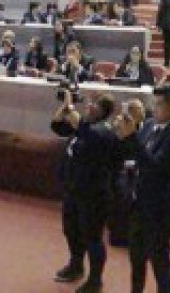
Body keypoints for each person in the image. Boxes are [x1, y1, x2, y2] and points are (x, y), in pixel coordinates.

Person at [113, 85, 170, 293]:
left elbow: (157, 168)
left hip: (158, 208)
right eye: (152, 104)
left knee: (159, 260)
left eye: (158, 104)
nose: (153, 109)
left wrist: (131, 138)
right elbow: (135, 154)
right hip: (138, 202)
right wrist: (122, 134)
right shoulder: (147, 125)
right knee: (136, 257)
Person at [51, 91, 119, 293]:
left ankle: (95, 279)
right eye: (89, 102)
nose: (88, 106)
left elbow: (82, 128)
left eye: (94, 104)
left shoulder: (103, 130)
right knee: (71, 230)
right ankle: (75, 265)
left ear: (104, 111)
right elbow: (56, 125)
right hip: (73, 189)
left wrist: (70, 105)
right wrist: (64, 108)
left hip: (94, 194)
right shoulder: (85, 126)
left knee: (92, 237)